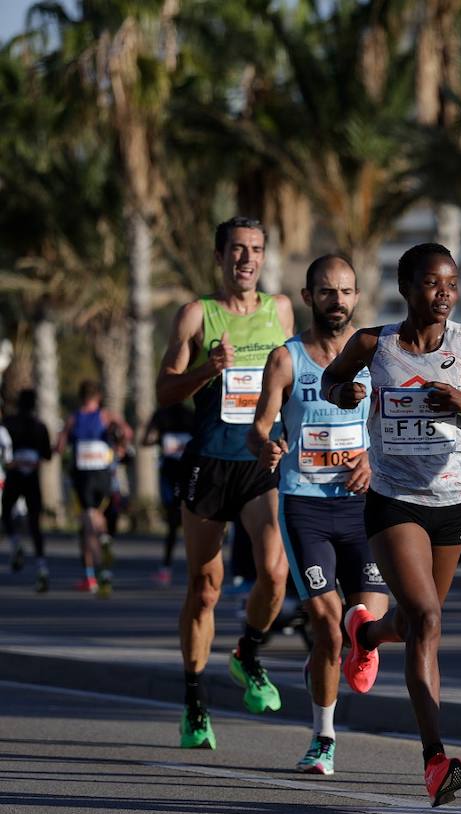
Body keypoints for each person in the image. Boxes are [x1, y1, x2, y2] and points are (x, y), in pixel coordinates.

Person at [321, 242, 461, 806]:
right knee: (429, 619)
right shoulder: (373, 344)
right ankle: (435, 759)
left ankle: (363, 634)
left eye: (452, 284)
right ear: (406, 288)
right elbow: (332, 383)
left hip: (454, 502)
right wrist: (346, 393)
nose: (444, 295)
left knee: (412, 627)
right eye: (433, 284)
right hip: (393, 499)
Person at [250, 254, 391, 776]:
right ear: (308, 297)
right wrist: (266, 445)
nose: (338, 301)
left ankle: (332, 659)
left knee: (367, 622)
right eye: (327, 291)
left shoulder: (378, 358)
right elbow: (260, 424)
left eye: (347, 291)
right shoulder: (287, 359)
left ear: (358, 297)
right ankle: (323, 738)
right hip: (305, 507)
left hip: (364, 508)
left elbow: (390, 428)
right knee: (330, 630)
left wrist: (372, 461)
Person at [156, 216, 294, 750]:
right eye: (237, 250)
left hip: (261, 461)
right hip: (209, 463)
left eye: (255, 249)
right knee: (204, 588)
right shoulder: (197, 314)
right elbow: (166, 390)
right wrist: (206, 370)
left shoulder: (280, 310)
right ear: (220, 257)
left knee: (276, 574)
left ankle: (249, 654)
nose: (247, 259)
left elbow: (296, 373)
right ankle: (194, 702)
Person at [55, 380, 132, 596]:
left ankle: (93, 575)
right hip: (104, 475)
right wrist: (120, 448)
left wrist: (67, 451)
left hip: (83, 476)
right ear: (98, 397)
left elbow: (59, 447)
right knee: (96, 519)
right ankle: (104, 548)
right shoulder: (106, 416)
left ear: (81, 397)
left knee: (88, 523)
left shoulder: (73, 418)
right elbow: (127, 432)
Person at [3, 389, 52, 592]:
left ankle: (15, 543)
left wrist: (13, 461)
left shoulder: (8, 424)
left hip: (14, 476)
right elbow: (47, 455)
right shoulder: (40, 426)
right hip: (31, 478)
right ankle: (41, 566)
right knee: (35, 523)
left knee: (6, 511)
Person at [143, 401, 195, 586]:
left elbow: (146, 440)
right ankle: (193, 568)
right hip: (188, 470)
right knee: (189, 519)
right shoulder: (191, 413)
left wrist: (159, 439)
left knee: (173, 522)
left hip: (171, 472)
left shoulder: (161, 414)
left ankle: (166, 568)